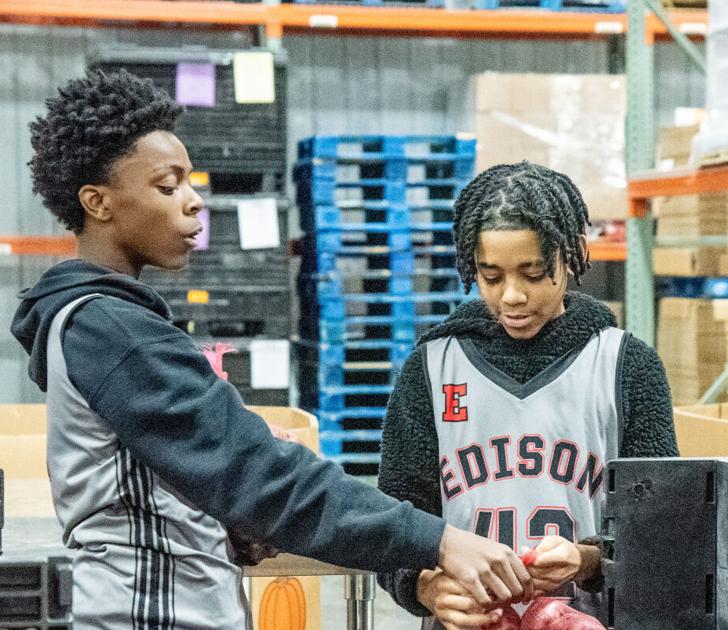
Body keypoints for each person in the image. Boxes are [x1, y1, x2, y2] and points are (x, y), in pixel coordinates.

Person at [11, 69, 530, 628]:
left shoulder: (103, 322)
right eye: (167, 187)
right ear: (98, 202)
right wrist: (440, 540)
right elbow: (256, 473)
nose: (194, 202)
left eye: (190, 183)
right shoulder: (112, 330)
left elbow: (168, 483)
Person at [376, 162, 678, 629]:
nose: (512, 296)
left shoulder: (627, 366)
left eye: (533, 273)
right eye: (491, 276)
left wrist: (588, 559)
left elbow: (661, 526)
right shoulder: (432, 367)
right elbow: (397, 517)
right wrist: (423, 586)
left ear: (574, 255)